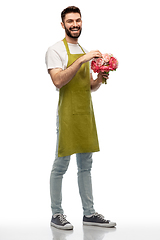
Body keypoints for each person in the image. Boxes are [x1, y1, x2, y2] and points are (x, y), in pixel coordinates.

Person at [45, 6, 116, 230]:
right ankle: (57, 214)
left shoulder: (84, 49)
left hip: (86, 113)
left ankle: (89, 213)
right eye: (70, 21)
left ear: (81, 22)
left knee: (86, 166)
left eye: (78, 20)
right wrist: (81, 60)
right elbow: (58, 81)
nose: (74, 24)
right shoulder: (55, 50)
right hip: (67, 114)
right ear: (63, 24)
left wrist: (99, 78)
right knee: (61, 165)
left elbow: (88, 87)